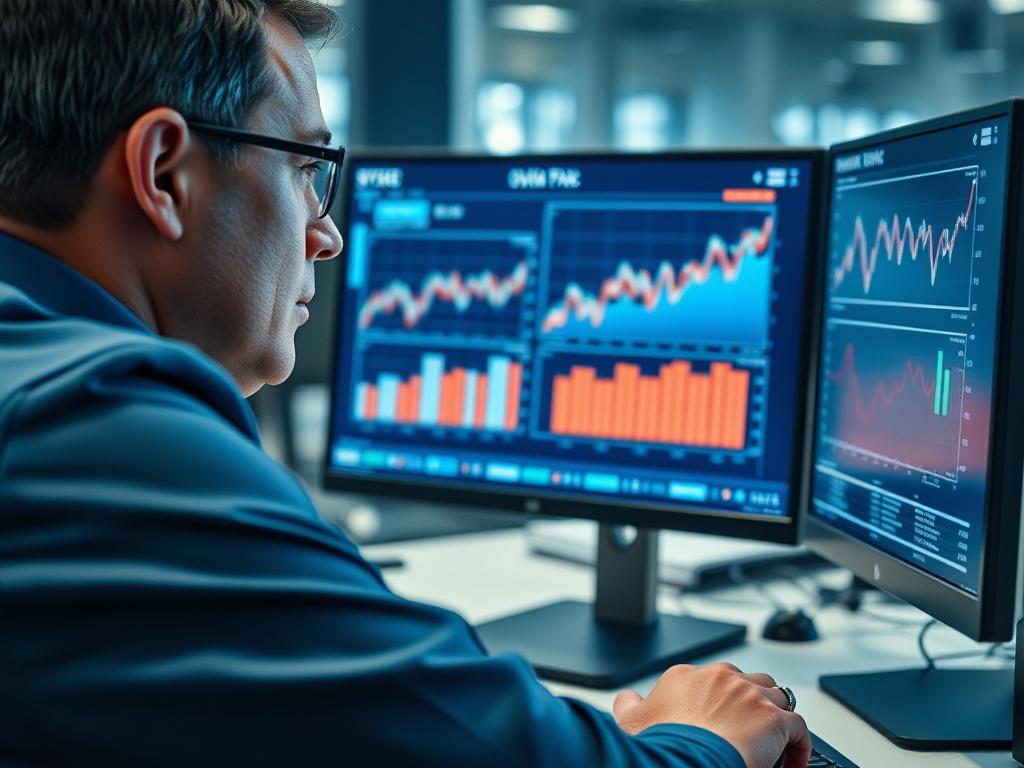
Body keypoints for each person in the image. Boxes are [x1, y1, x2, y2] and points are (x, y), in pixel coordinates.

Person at [0, 2, 810, 766]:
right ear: (165, 174)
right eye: (305, 171)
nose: (328, 233)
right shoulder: (94, 428)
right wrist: (695, 739)